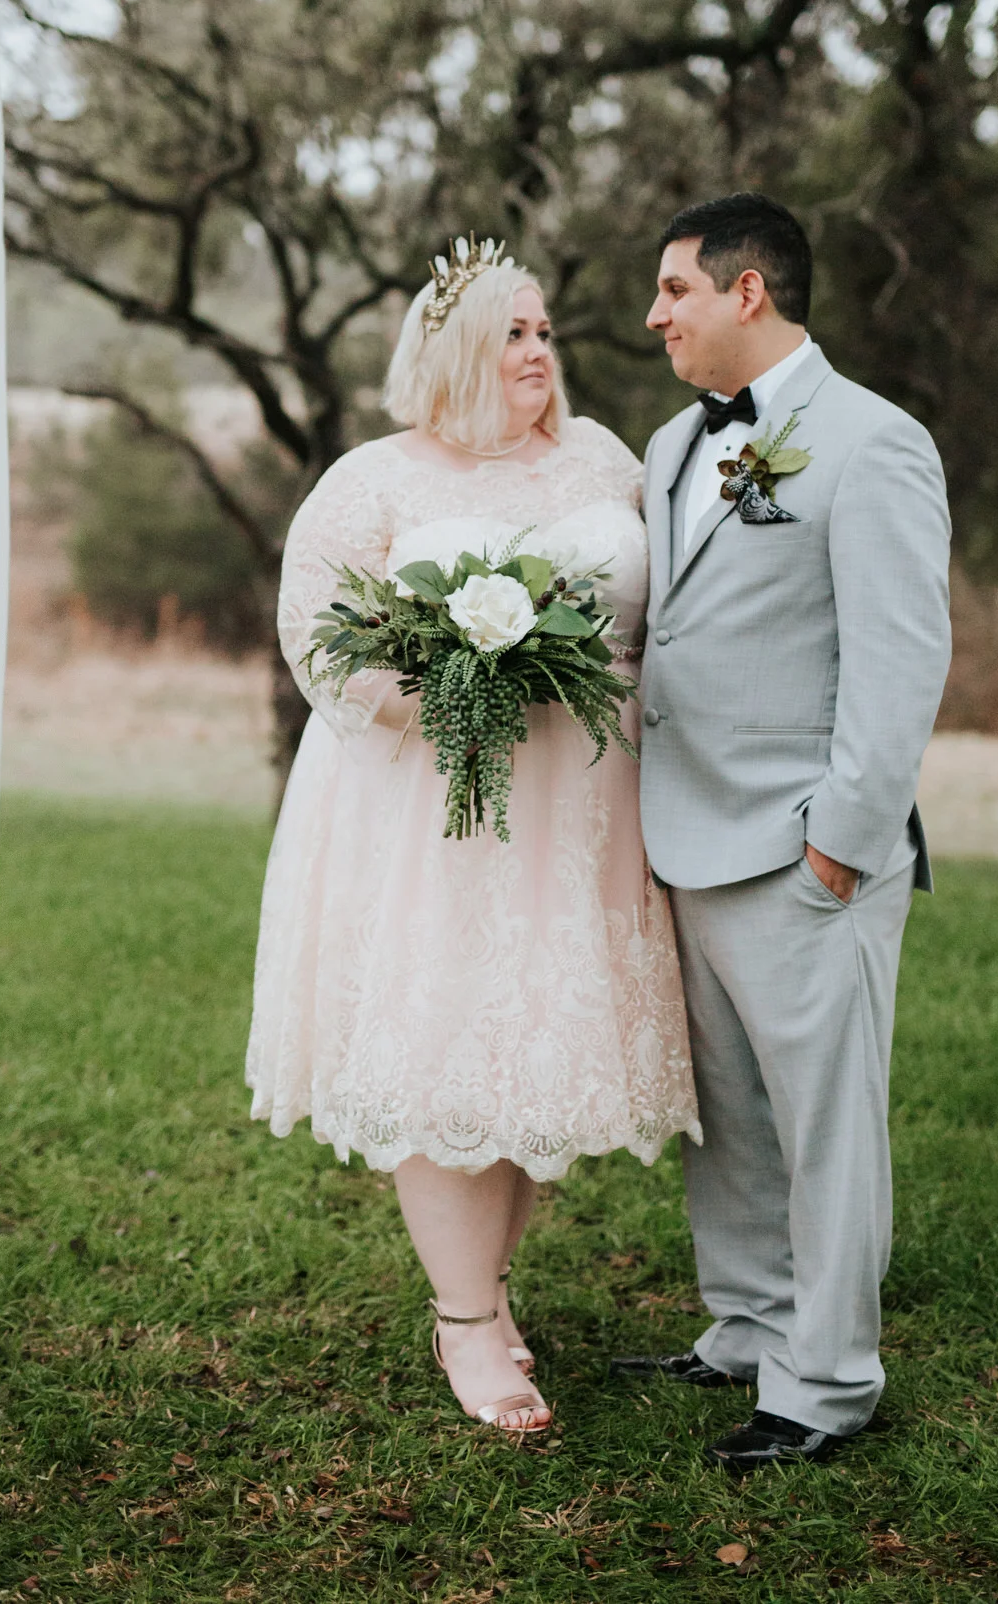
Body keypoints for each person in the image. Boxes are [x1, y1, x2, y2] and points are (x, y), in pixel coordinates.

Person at [247, 239, 700, 1438]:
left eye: (546, 331)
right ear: (452, 349)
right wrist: (449, 699)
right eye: (514, 333)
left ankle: (486, 1293)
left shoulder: (603, 459)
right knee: (446, 1038)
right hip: (429, 811)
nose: (540, 352)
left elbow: (663, 617)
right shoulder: (372, 480)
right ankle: (463, 1322)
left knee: (536, 1046)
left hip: (583, 804)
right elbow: (315, 639)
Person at [613, 192, 952, 1472]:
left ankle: (826, 1385)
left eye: (673, 291)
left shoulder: (871, 443)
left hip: (804, 849)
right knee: (728, 1120)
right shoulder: (663, 446)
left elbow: (899, 654)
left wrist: (840, 840)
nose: (654, 315)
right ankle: (747, 1329)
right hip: (682, 834)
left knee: (824, 1127)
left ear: (746, 291)